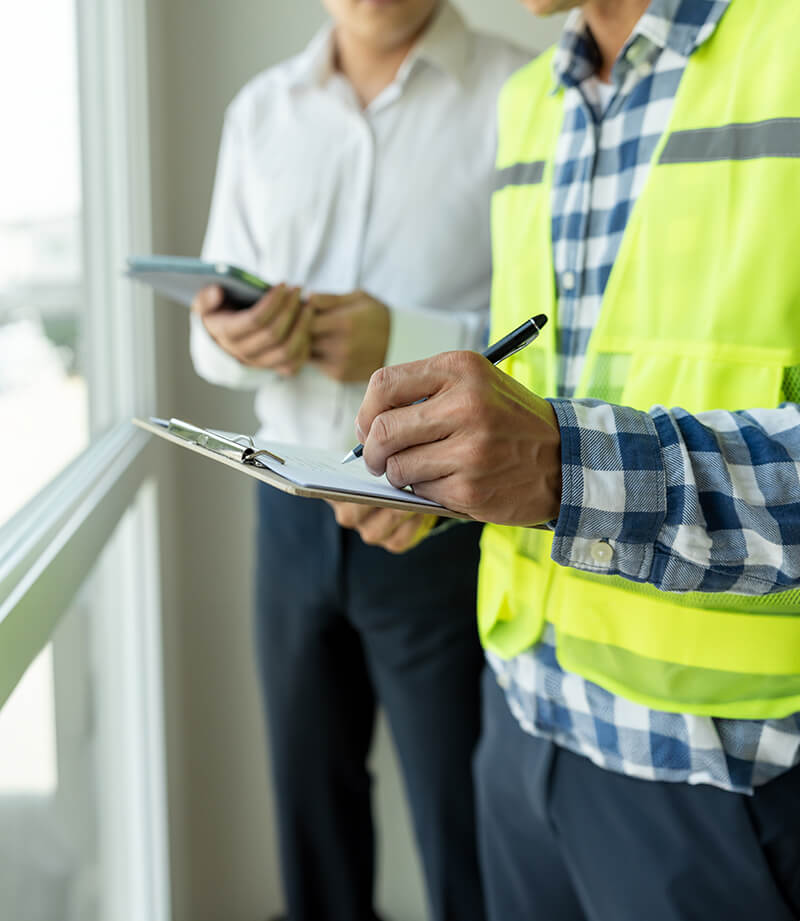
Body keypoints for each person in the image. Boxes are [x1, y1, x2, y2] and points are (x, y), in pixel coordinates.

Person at [350, 0, 800, 918]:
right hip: (522, 729)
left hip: (721, 776)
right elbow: (558, 368)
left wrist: (565, 467)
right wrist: (447, 467)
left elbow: (565, 447)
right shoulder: (529, 101)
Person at [189, 3, 528, 919]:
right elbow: (210, 340)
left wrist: (401, 336)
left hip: (439, 517)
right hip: (287, 507)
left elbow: (553, 340)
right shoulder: (260, 113)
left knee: (460, 824)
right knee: (312, 817)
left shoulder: (520, 93)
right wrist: (236, 336)